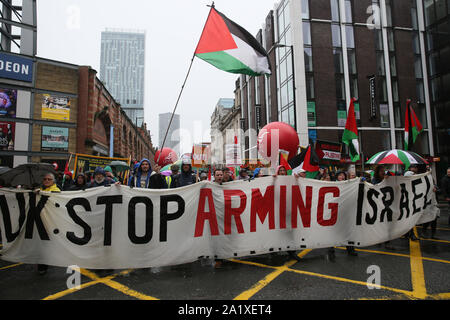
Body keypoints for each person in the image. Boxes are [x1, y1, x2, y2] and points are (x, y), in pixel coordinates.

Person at [327, 171, 357, 260]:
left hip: (345, 212)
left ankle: (350, 249)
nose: (342, 177)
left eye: (343, 175)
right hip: (335, 212)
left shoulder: (348, 185)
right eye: (340, 175)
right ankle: (331, 250)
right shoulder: (333, 184)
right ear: (337, 176)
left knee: (347, 231)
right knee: (333, 232)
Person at [37, 173, 61, 275]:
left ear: (53, 181)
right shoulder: (39, 190)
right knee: (40, 244)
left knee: (47, 244)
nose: (46, 181)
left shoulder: (57, 191)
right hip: (40, 221)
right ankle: (42, 265)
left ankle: (44, 264)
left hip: (51, 222)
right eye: (45, 179)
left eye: (49, 179)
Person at [403, 165, 419, 241]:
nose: (415, 169)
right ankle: (411, 234)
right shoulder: (408, 174)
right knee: (410, 217)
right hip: (407, 200)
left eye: (415, 168)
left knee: (409, 217)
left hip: (411, 199)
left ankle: (407, 234)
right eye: (413, 168)